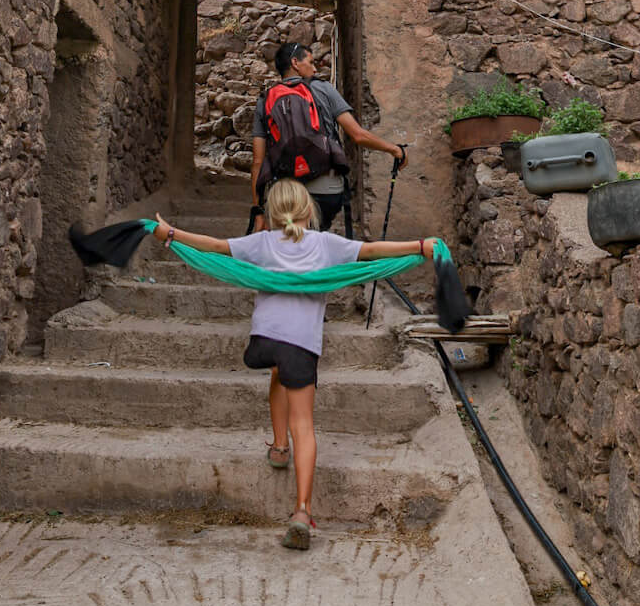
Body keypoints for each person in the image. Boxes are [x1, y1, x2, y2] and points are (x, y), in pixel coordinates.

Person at [154, 178, 437, 551]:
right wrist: (420, 246)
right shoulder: (325, 243)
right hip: (300, 345)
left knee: (278, 374)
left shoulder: (262, 241)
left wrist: (170, 233)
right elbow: (371, 251)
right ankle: (302, 511)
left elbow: (216, 247)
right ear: (309, 210)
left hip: (263, 342)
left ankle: (277, 446)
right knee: (305, 424)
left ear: (271, 214)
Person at [251, 41, 407, 234]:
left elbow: (258, 161)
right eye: (311, 62)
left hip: (285, 194)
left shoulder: (265, 100)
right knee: (316, 240)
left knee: (289, 246)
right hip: (326, 191)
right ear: (295, 63)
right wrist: (394, 149)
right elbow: (358, 135)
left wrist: (258, 211)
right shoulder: (324, 89)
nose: (315, 69)